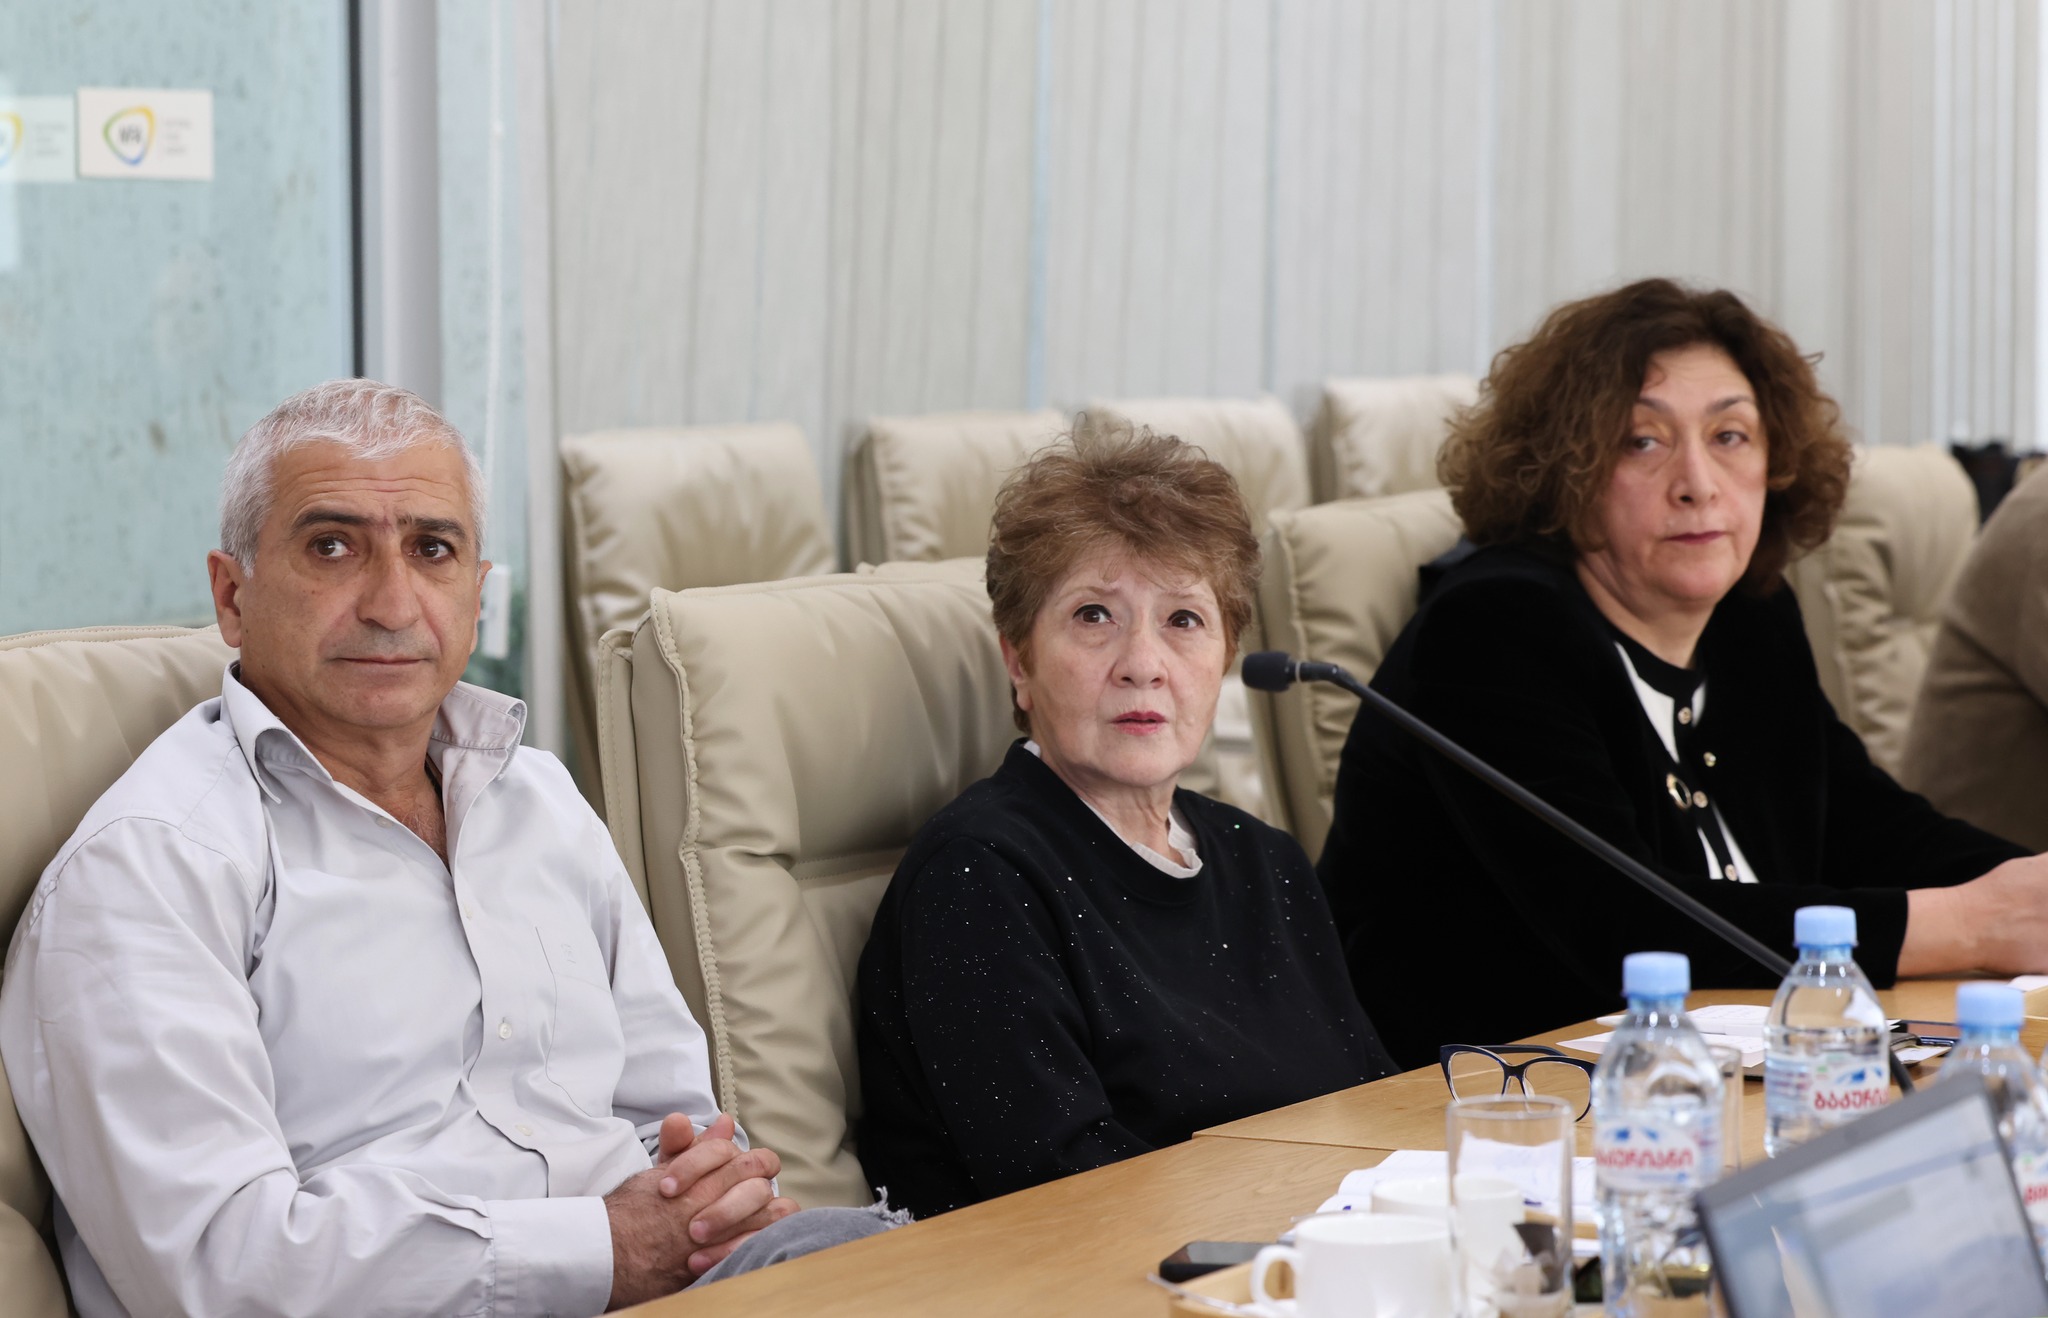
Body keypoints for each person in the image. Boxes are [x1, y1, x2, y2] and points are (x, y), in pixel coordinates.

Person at [0, 381, 897, 1317]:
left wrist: (709, 1207)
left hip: (674, 1291)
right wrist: (608, 1249)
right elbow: (223, 1271)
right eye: (332, 546)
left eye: (432, 549)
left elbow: (673, 1118)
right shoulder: (150, 866)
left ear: (476, 591)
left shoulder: (538, 799)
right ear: (233, 596)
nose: (393, 604)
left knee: (911, 1268)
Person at [1317, 278, 2048, 1071]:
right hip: (1487, 1099)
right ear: (1565, 470)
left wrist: (2024, 888)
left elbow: (1871, 826)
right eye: (1642, 441)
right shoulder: (1491, 630)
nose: (1698, 481)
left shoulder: (1750, 617)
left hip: (1729, 1072)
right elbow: (1624, 923)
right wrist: (1974, 923)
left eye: (1730, 435)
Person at [856, 422, 1395, 1219]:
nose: (1143, 664)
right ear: (1018, 660)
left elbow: (1372, 1108)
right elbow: (1066, 1190)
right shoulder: (977, 878)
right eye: (1094, 615)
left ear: (1224, 656)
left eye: (1184, 620)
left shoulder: (1265, 861)